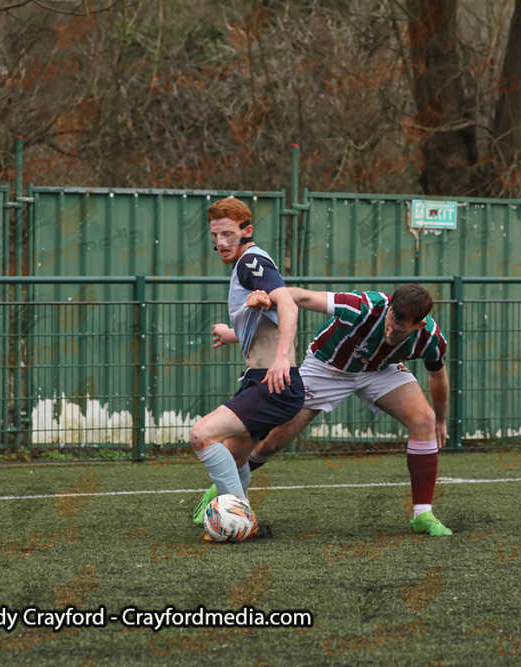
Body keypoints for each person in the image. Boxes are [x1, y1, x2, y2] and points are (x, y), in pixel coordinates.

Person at [194, 283, 453, 536]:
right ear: (390, 308)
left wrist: (440, 421)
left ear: (418, 325)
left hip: (378, 371)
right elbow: (302, 297)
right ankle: (223, 487)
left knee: (425, 420)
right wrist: (267, 298)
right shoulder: (363, 306)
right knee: (273, 440)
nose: (389, 332)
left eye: (398, 331)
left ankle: (422, 515)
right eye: (390, 322)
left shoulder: (430, 338)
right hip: (325, 368)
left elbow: (438, 378)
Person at [188, 197, 305, 540]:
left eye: (227, 233)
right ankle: (242, 516)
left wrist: (282, 357)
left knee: (201, 435)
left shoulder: (250, 262)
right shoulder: (249, 264)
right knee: (235, 456)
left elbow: (288, 305)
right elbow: (266, 314)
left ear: (246, 231)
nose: (221, 242)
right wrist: (234, 333)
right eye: (215, 235)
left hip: (274, 381)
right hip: (263, 379)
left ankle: (241, 517)